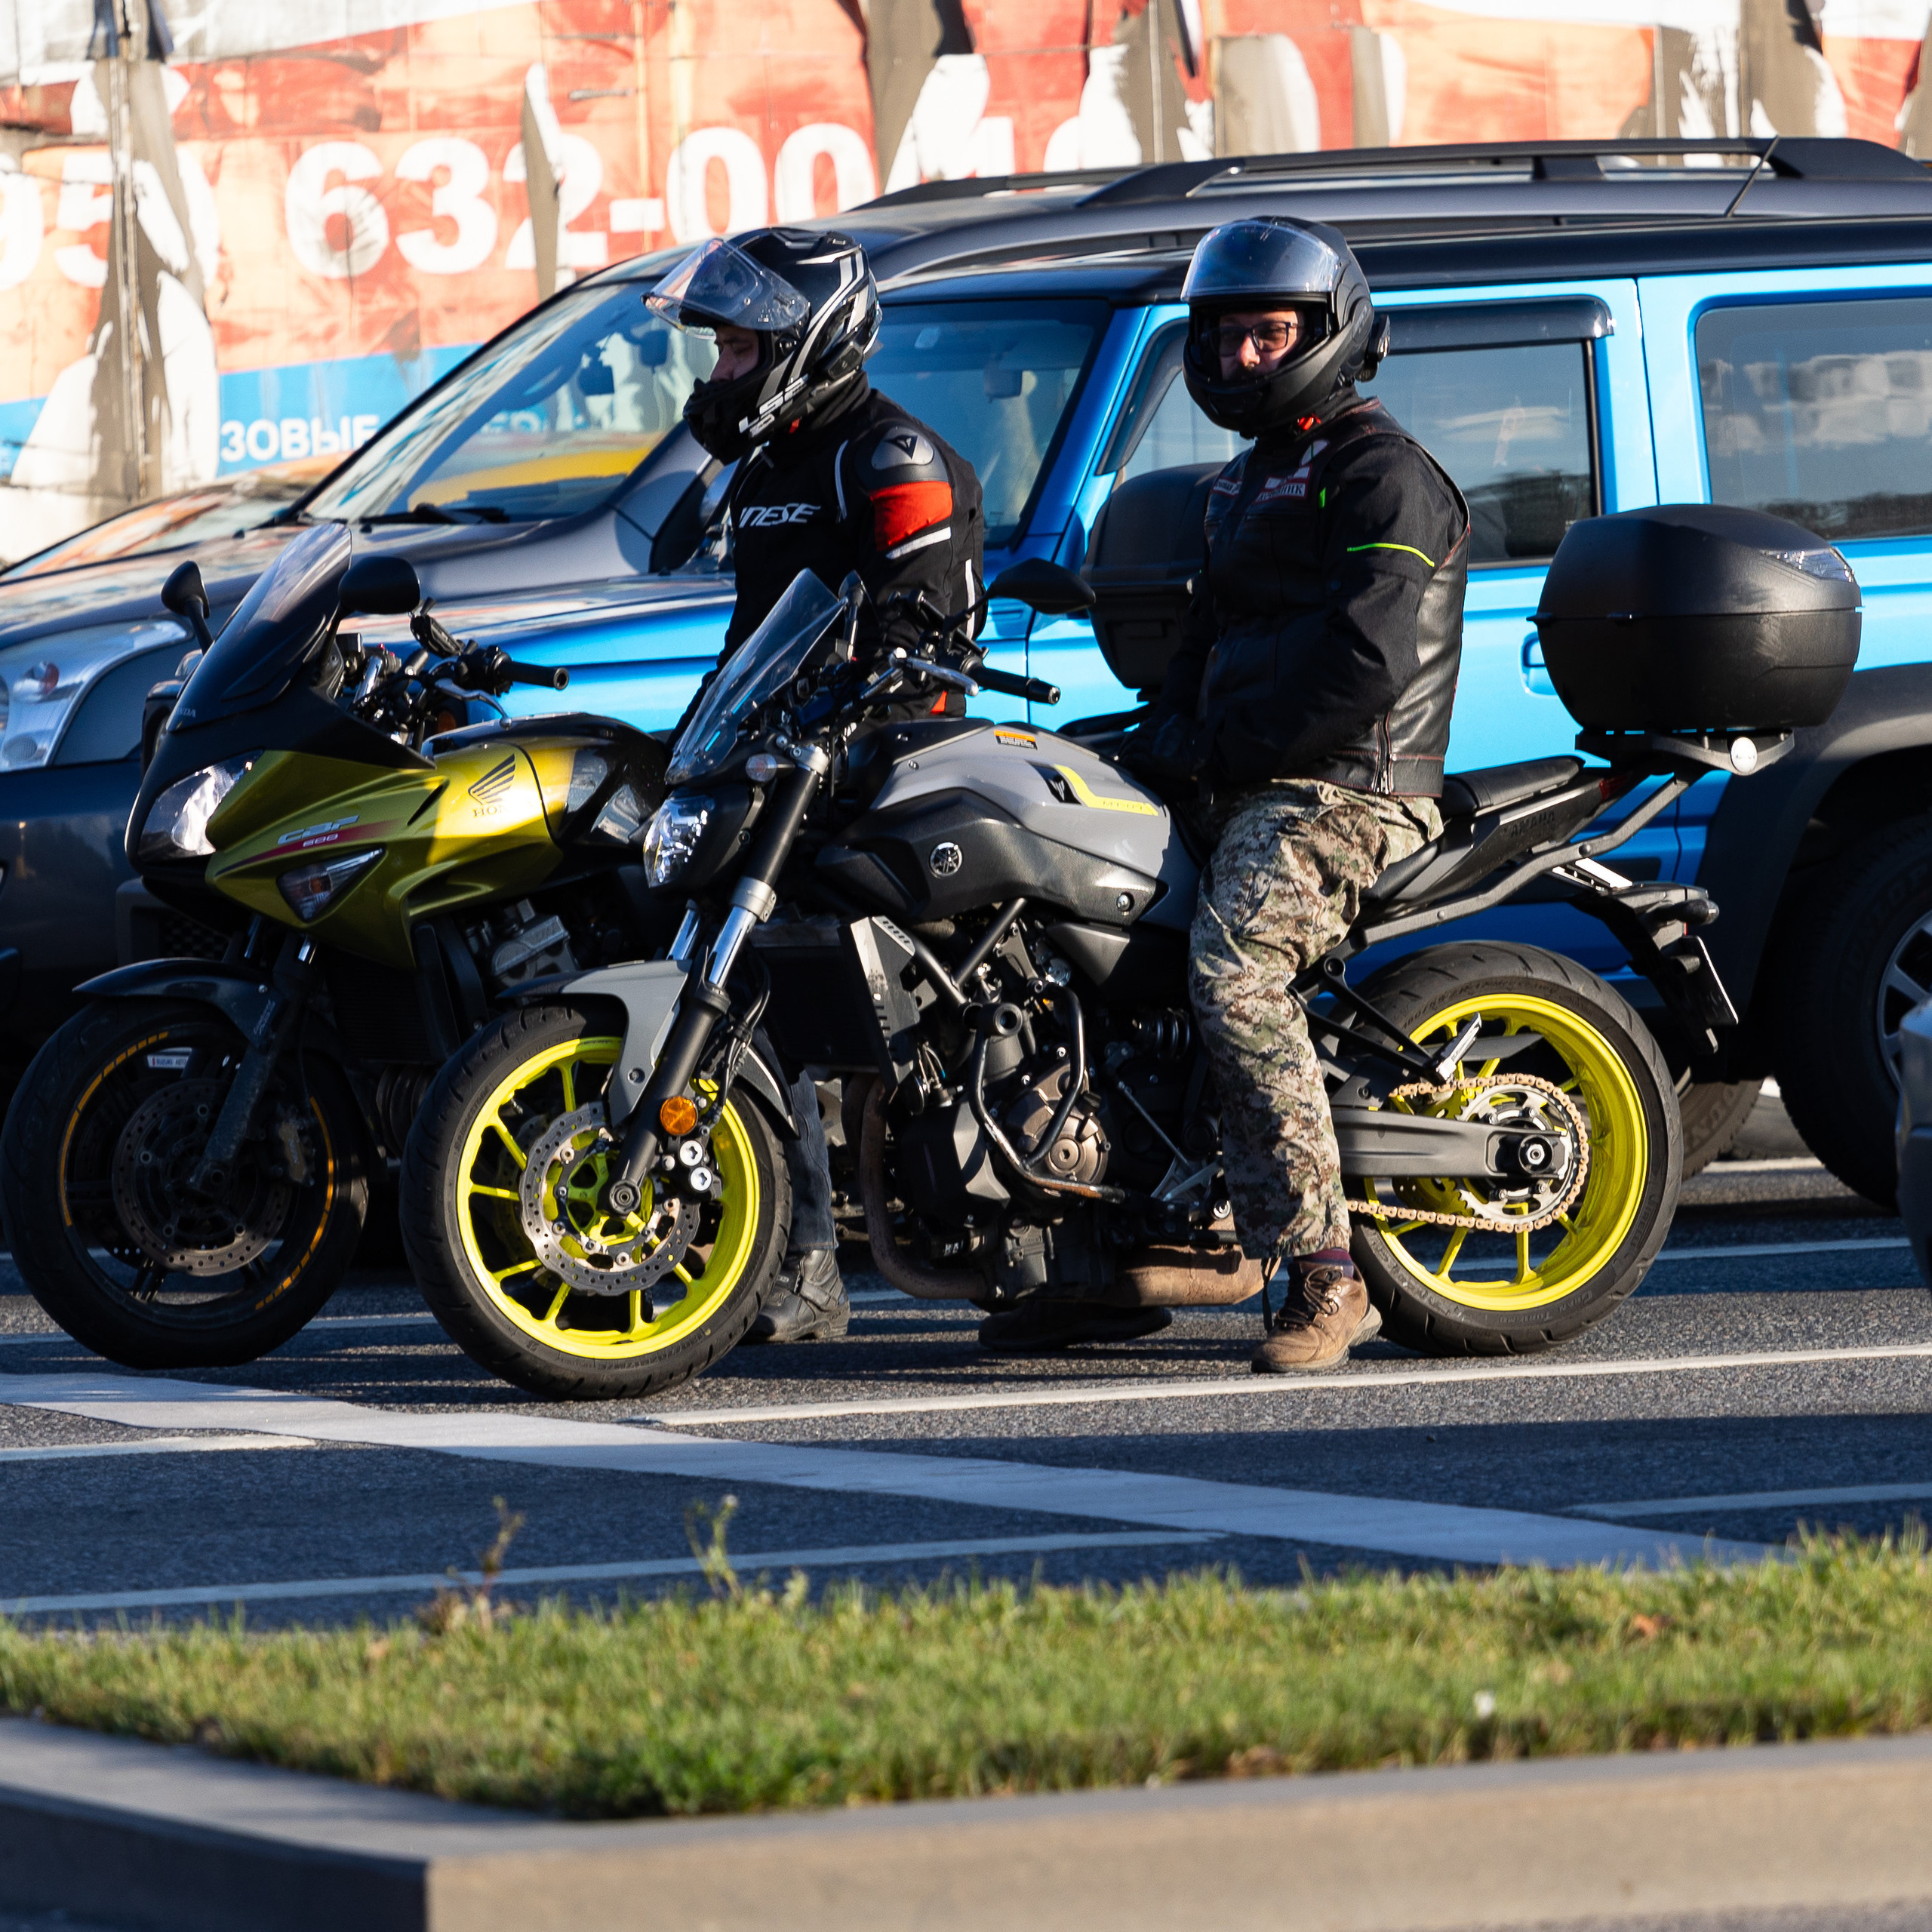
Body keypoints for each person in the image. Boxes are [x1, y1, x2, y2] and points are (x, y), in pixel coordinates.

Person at [1125, 216, 1469, 1374]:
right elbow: (1204, 639)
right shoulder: (1244, 482)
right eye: (1223, 339)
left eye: (1268, 335)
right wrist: (1157, 739)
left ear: (1329, 334)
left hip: (1342, 787)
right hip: (1241, 769)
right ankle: (1097, 1247)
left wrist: (1219, 748)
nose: (1241, 360)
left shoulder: (1385, 477)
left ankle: (1327, 1271)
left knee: (1234, 971)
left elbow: (1365, 666)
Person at [648, 226, 984, 1343]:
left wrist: (840, 724)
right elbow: (760, 638)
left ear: (807, 342)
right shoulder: (771, 462)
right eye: (719, 351)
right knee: (707, 973)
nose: (718, 373)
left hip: (882, 772)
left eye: (739, 351)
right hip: (782, 766)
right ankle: (763, 1247)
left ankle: (808, 1261)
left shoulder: (887, 458)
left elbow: (917, 631)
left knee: (774, 989)